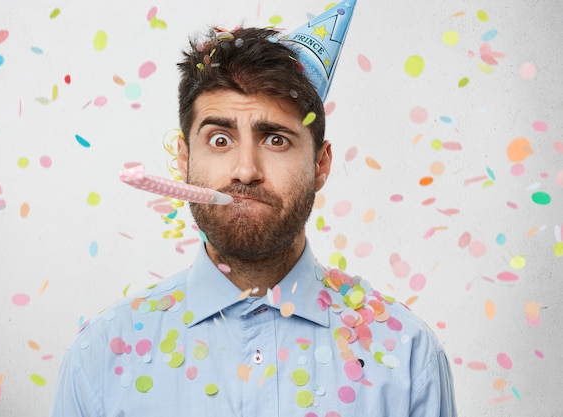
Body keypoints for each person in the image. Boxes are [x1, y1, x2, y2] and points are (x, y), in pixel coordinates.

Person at [50, 4, 456, 416]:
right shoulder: (99, 358)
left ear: (321, 164)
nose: (246, 171)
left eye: (276, 140)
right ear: (183, 158)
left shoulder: (408, 357)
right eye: (220, 140)